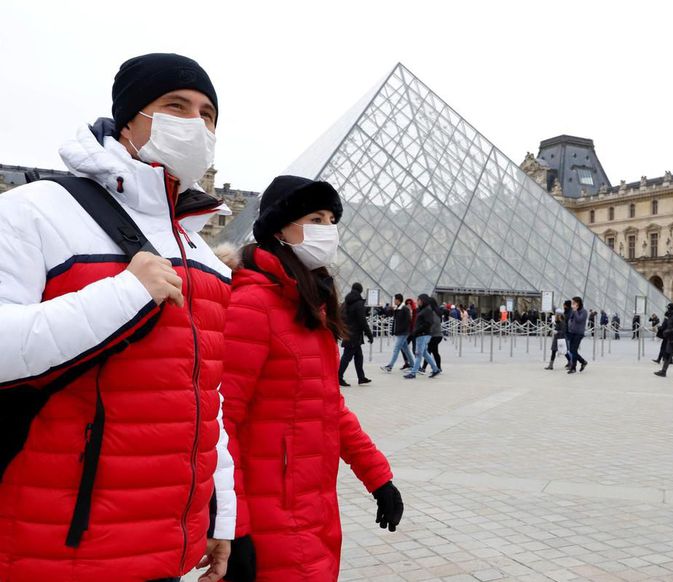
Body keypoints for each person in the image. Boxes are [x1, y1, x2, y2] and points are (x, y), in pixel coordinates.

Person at [0, 53, 235, 581]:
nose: (195, 124)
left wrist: (220, 515)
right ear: (129, 119)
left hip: (167, 547)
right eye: (175, 106)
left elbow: (206, 403)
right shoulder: (34, 210)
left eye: (207, 114)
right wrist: (126, 294)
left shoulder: (201, 250)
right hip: (59, 549)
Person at [220, 175, 403, 581]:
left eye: (332, 220)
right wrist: (234, 525)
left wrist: (379, 478)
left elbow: (329, 408)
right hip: (270, 517)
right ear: (279, 228)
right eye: (315, 219)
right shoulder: (253, 304)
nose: (328, 230)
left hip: (312, 509)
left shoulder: (307, 302)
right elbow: (221, 422)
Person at [339, 282, 374, 387]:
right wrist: (369, 335)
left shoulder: (346, 302)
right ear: (360, 291)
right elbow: (362, 321)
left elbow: (341, 315)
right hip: (355, 335)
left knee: (359, 356)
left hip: (349, 333)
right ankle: (338, 377)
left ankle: (361, 377)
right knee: (347, 357)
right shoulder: (358, 303)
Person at [407, 295, 441, 379]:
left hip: (422, 334)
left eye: (418, 300)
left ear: (422, 300)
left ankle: (413, 373)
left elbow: (428, 323)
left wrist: (417, 330)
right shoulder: (424, 309)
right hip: (421, 334)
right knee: (424, 353)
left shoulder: (427, 310)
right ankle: (435, 369)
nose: (417, 301)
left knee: (418, 353)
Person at [381, 294, 415, 373]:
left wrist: (402, 330)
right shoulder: (398, 308)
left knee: (396, 349)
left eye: (395, 299)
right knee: (406, 349)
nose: (394, 301)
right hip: (400, 332)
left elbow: (408, 321)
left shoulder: (404, 309)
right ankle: (413, 365)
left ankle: (390, 366)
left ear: (398, 300)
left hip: (403, 332)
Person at [420, 297, 444, 374]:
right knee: (434, 352)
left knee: (428, 351)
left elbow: (435, 324)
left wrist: (427, 331)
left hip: (435, 336)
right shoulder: (435, 311)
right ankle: (438, 368)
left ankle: (424, 368)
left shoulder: (433, 312)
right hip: (436, 335)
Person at [566, 297, 589, 374]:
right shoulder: (574, 311)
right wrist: (570, 324)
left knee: (573, 350)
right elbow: (570, 318)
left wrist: (575, 311)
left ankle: (574, 367)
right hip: (572, 332)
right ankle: (582, 362)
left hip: (579, 333)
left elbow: (579, 319)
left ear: (578, 303)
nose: (572, 304)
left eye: (574, 303)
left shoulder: (584, 312)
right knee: (572, 350)